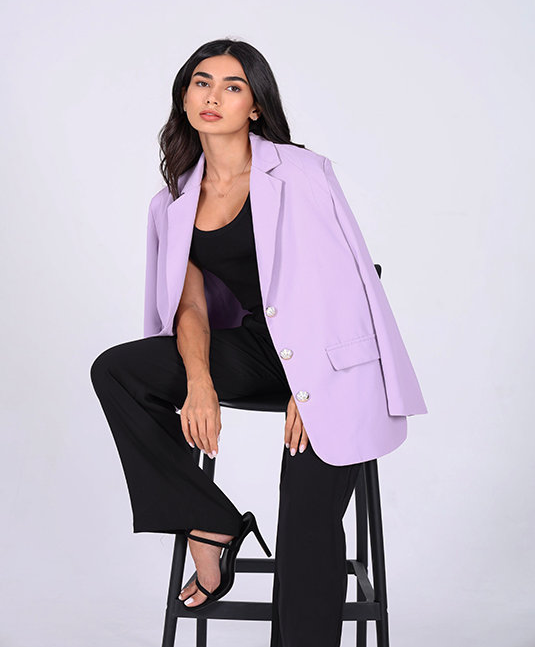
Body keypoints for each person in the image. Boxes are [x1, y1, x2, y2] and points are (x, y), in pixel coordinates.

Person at [90, 38, 427, 647]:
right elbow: (190, 306)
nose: (213, 96)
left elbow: (349, 280)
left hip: (333, 361)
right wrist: (199, 382)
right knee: (118, 371)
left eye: (232, 86)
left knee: (304, 515)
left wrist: (315, 385)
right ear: (184, 98)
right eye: (201, 82)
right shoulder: (174, 202)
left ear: (256, 106)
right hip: (257, 349)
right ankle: (208, 521)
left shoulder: (299, 172)